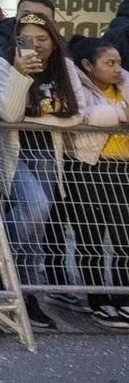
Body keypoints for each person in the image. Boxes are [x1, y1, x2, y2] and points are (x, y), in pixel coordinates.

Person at [0, 11, 101, 330]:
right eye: (27, 39)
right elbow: (8, 112)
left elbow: (78, 114)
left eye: (43, 38)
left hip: (49, 155)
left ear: (54, 40)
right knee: (35, 205)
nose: (36, 45)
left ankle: (27, 297)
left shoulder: (66, 69)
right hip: (11, 154)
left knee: (36, 233)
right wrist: (20, 74)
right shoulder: (0, 67)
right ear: (16, 41)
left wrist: (34, 120)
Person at [65, 37, 129, 329]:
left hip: (122, 168)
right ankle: (97, 298)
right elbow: (84, 116)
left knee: (123, 239)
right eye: (109, 63)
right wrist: (118, 115)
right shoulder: (81, 89)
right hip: (89, 167)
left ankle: (123, 295)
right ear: (88, 66)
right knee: (90, 237)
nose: (117, 69)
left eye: (119, 63)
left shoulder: (124, 87)